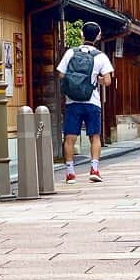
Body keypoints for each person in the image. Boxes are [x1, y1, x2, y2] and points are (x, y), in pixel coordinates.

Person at [57, 21, 114, 183]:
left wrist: (74, 82)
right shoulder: (101, 56)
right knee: (94, 136)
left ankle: (70, 173)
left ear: (82, 35)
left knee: (70, 137)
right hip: (92, 102)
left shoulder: (70, 53)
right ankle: (94, 169)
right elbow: (108, 81)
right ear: (98, 36)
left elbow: (61, 74)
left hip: (72, 102)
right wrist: (96, 79)